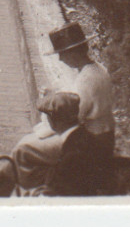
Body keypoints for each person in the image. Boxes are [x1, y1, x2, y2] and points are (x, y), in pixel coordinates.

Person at [49, 22, 117, 192]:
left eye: (62, 54)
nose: (60, 59)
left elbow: (74, 117)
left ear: (72, 53)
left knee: (34, 147)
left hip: (92, 142)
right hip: (105, 134)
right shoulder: (98, 69)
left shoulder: (86, 79)